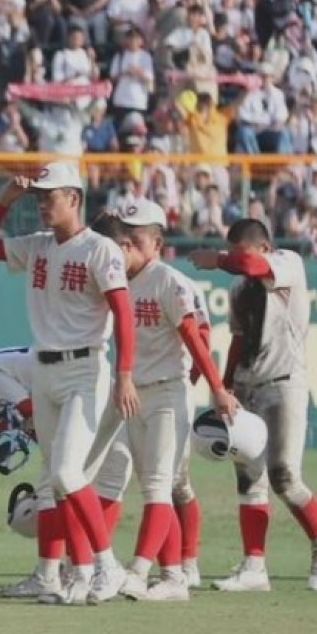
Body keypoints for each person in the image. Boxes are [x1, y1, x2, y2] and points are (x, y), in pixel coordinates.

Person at [0, 162, 138, 606]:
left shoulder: (101, 249)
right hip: (44, 369)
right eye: (39, 197)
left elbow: (123, 314)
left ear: (75, 198)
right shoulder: (37, 245)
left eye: (51, 196)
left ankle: (107, 564)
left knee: (66, 472)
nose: (43, 204)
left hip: (85, 368)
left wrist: (124, 374)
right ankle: (78, 574)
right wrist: (4, 202)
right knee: (57, 479)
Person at [189, 219, 317, 592]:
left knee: (284, 477)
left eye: (240, 253)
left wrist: (219, 259)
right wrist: (225, 386)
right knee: (248, 477)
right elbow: (239, 338)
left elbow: (252, 265)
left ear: (265, 248)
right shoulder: (240, 286)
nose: (236, 261)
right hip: (247, 384)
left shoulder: (287, 264)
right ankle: (254, 566)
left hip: (284, 383)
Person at [107, 201, 239, 601]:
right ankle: (173, 576)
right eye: (123, 238)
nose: (127, 245)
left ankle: (138, 571)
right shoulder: (115, 279)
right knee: (153, 485)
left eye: (136, 238)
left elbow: (194, 339)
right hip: (134, 393)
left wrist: (217, 388)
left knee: (160, 485)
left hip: (168, 390)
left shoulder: (169, 281)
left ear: (157, 242)